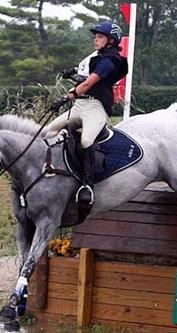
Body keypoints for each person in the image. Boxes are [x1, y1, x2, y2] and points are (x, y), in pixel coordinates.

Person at [45, 21, 128, 208]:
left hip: (95, 107)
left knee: (86, 140)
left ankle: (86, 186)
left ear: (111, 41)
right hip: (80, 106)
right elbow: (85, 68)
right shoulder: (98, 56)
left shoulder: (110, 60)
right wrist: (73, 71)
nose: (95, 40)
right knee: (48, 132)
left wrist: (67, 97)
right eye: (95, 37)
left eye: (99, 37)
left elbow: (89, 83)